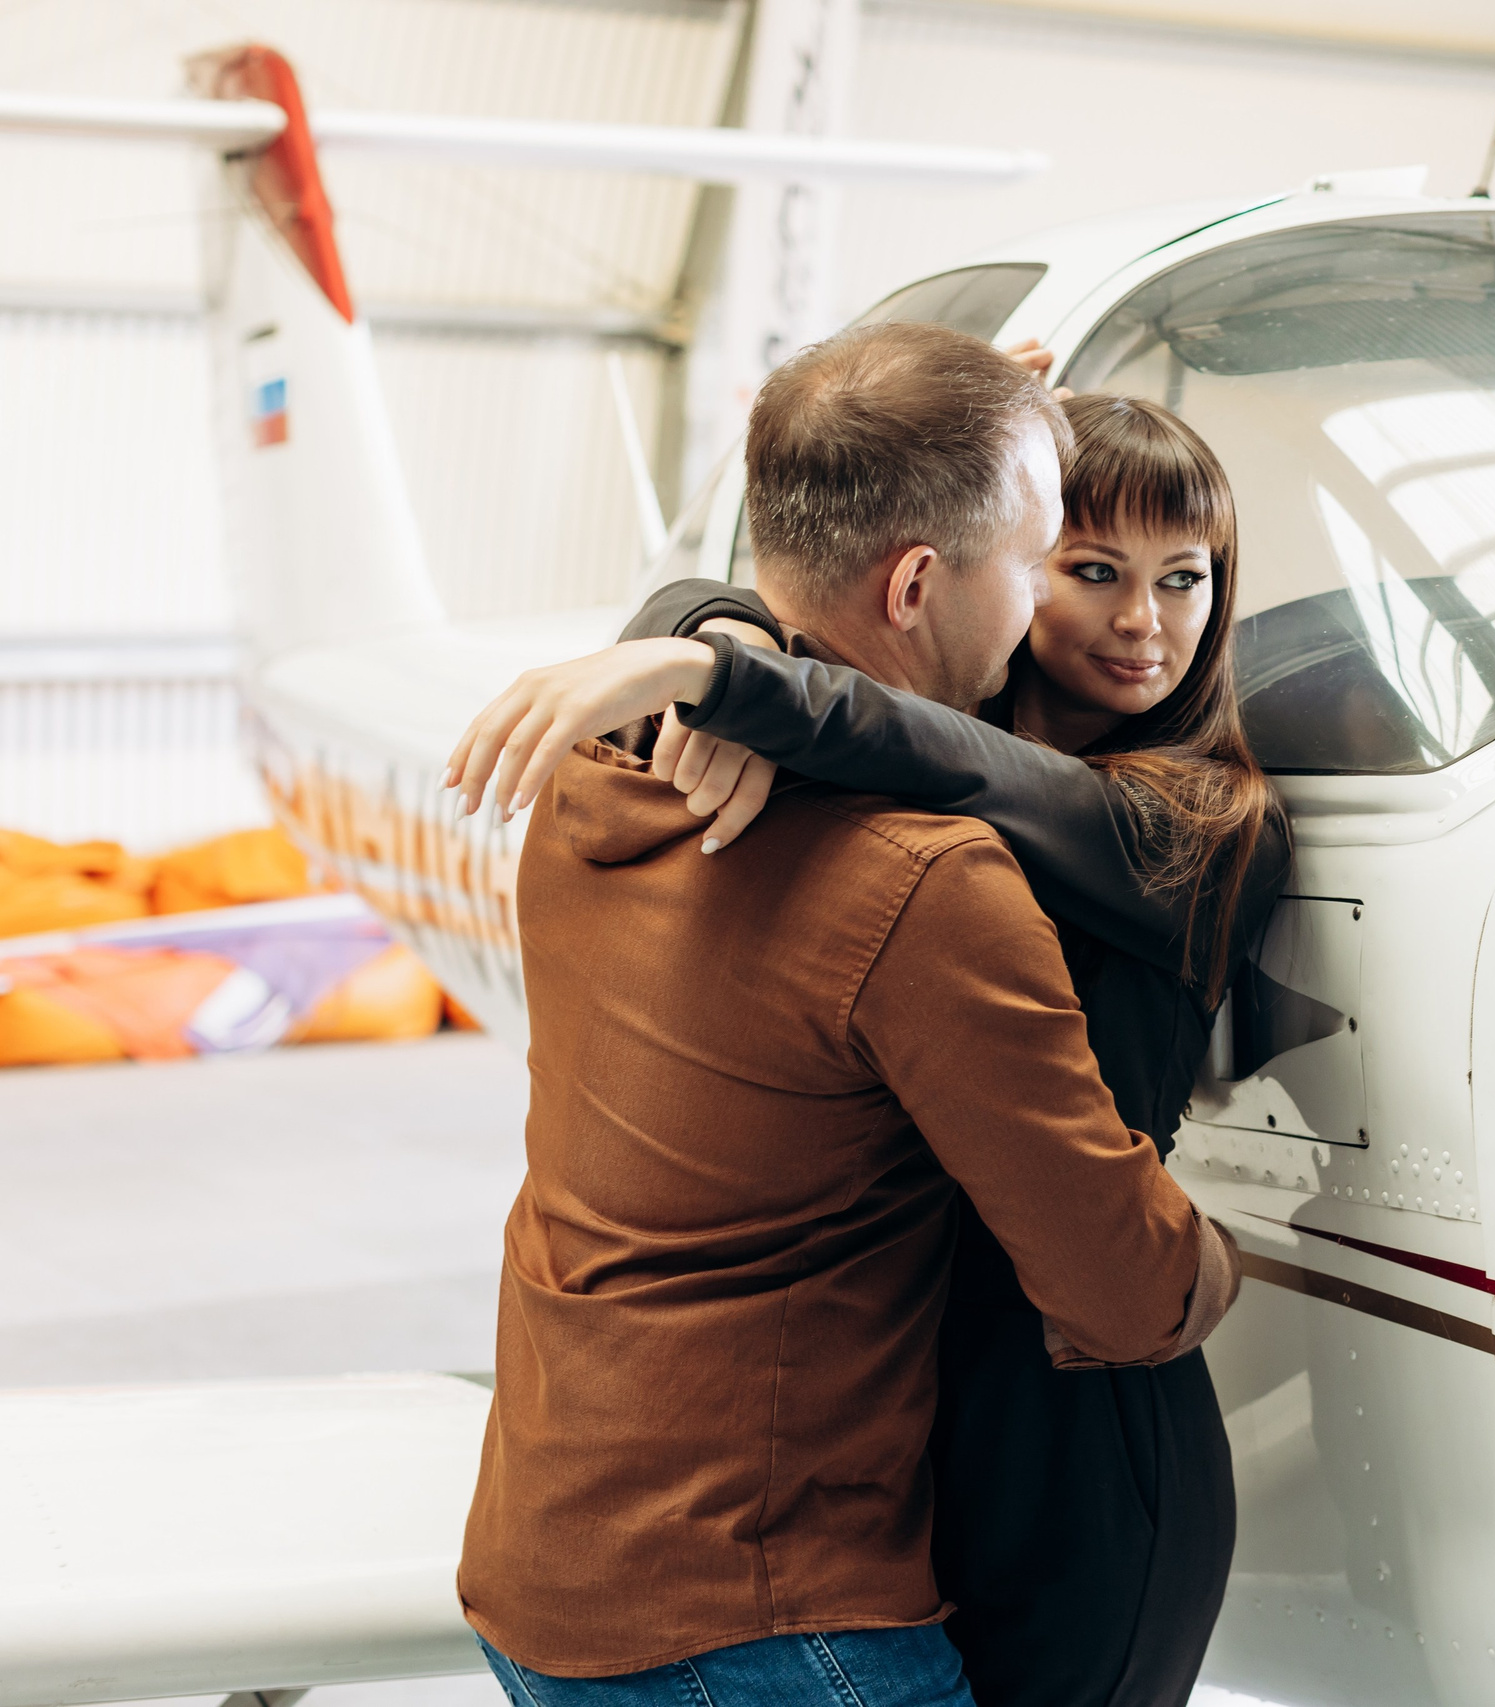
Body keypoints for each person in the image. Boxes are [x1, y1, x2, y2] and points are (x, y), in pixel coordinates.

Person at [449, 386, 1289, 1707]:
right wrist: (708, 633)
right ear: (944, 582)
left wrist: (726, 673)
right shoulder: (878, 769)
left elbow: (971, 775)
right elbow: (860, 669)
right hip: (878, 1433)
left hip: (1066, 1430)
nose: (1145, 622)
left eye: (1188, 579)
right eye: (1079, 568)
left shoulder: (1189, 822)